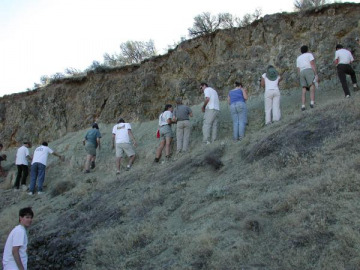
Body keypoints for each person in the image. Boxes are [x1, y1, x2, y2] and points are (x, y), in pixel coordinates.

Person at [296, 45, 318, 111]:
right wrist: (315, 73)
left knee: (304, 88)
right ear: (307, 49)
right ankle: (312, 102)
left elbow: (298, 68)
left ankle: (303, 105)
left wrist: (300, 75)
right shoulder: (309, 55)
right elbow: (312, 64)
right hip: (308, 70)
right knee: (311, 85)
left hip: (302, 72)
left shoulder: (298, 58)